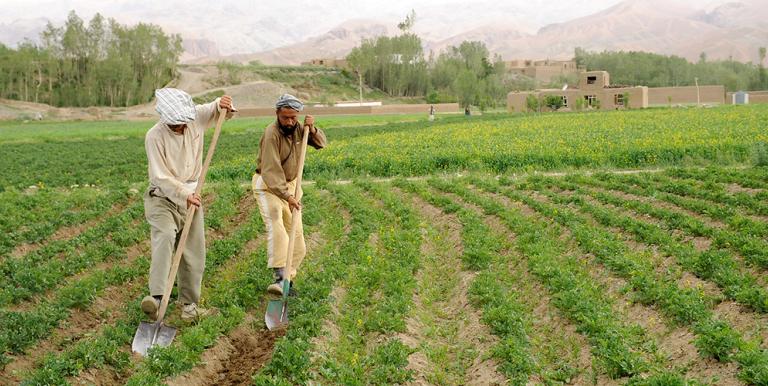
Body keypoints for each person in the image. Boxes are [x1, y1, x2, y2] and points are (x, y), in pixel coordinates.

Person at [141, 88, 234, 322]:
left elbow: (216, 109)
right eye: (175, 125)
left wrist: (222, 103)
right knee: (164, 237)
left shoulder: (194, 118)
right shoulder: (154, 136)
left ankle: (189, 305)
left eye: (183, 123)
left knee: (193, 250)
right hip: (163, 198)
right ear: (164, 119)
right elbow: (160, 176)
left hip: (193, 195)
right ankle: (157, 298)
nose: (181, 127)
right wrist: (184, 194)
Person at [253, 94, 327, 296]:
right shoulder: (271, 134)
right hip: (269, 187)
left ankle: (287, 279)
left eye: (293, 117)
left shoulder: (299, 129)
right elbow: (271, 170)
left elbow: (321, 143)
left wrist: (312, 129)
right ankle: (279, 276)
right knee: (277, 223)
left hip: (292, 188)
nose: (289, 122)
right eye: (285, 117)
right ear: (277, 113)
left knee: (298, 241)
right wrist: (287, 197)